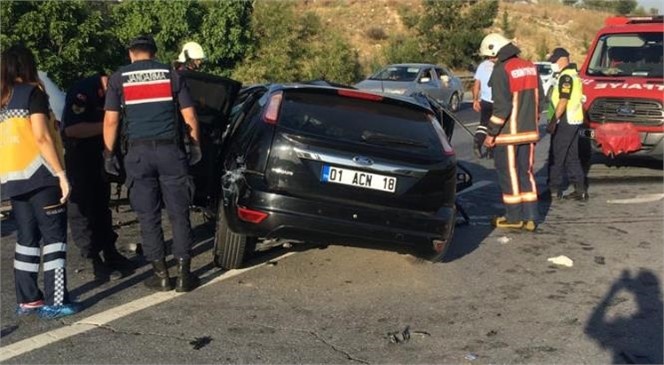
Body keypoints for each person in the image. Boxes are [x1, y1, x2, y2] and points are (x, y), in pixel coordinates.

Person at [103, 35, 202, 292]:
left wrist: (108, 154)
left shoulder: (119, 78)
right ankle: (183, 275)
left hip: (138, 155)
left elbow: (111, 121)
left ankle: (161, 276)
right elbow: (190, 115)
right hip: (171, 152)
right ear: (154, 53)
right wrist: (195, 146)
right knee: (179, 213)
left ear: (131, 53)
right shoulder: (171, 75)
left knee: (148, 216)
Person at [0, 44, 80, 318]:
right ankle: (56, 300)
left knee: (26, 238)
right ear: (28, 66)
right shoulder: (32, 94)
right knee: (55, 237)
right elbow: (41, 137)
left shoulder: (3, 99)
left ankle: (28, 298)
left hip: (14, 177)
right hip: (41, 175)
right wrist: (61, 174)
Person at [62, 73, 134, 280]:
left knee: (101, 206)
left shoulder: (111, 92)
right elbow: (73, 129)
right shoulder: (82, 92)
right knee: (82, 209)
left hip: (100, 156)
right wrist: (111, 125)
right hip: (80, 157)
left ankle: (110, 251)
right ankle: (93, 258)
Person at [481, 33, 544, 232]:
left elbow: (501, 109)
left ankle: (514, 216)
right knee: (526, 173)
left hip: (508, 135)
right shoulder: (530, 66)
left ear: (495, 51)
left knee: (509, 175)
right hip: (529, 133)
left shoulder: (502, 70)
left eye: (489, 57)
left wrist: (490, 134)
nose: (490, 61)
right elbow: (540, 100)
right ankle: (531, 217)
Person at [546, 48, 588, 201]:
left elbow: (563, 100)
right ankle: (580, 190)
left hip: (565, 119)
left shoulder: (566, 77)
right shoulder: (574, 75)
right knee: (572, 157)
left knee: (557, 154)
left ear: (563, 59)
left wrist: (553, 120)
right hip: (575, 119)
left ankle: (553, 189)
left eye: (555, 61)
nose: (554, 64)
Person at [472, 50, 497, 159]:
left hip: (485, 100)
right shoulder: (501, 66)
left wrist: (475, 100)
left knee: (483, 123)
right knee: (496, 125)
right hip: (498, 101)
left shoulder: (482, 66)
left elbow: (477, 84)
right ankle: (491, 149)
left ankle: (478, 142)